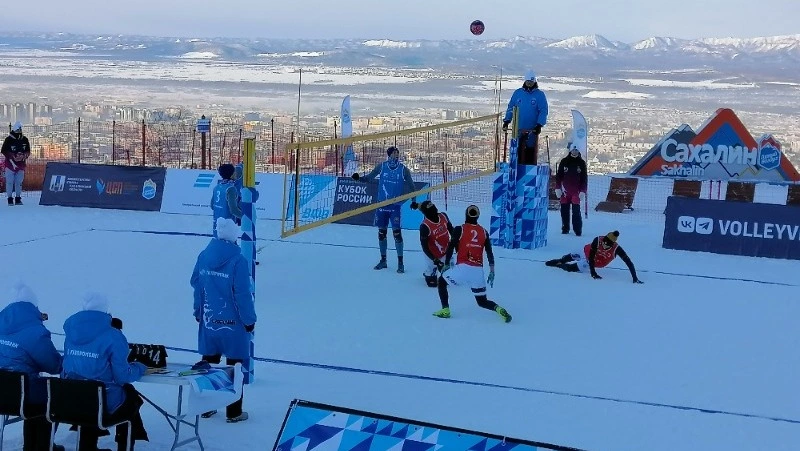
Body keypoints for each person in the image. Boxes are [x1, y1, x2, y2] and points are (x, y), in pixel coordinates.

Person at [61, 293, 149, 451]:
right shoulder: (113, 335)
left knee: (89, 396)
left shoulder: (71, 334)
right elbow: (123, 377)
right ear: (106, 310)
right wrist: (140, 367)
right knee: (131, 399)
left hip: (73, 399)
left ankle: (87, 447)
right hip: (102, 399)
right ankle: (124, 447)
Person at [190, 217, 256, 423]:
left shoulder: (203, 256)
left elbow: (197, 285)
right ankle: (234, 412)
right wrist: (249, 320)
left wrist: (198, 311)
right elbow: (242, 295)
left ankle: (206, 407)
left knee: (209, 363)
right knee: (235, 367)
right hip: (233, 324)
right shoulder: (238, 261)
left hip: (209, 320)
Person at [0, 283, 65, 451]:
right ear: (34, 307)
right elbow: (54, 365)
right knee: (53, 393)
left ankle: (30, 446)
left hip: (2, 392)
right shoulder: (35, 332)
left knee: (34, 392)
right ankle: (42, 446)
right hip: (21, 394)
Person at [433, 205, 512, 322]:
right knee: (482, 301)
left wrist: (447, 263)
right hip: (478, 271)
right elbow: (489, 253)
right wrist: (492, 271)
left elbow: (451, 246)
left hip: (463, 268)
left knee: (441, 282)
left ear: (466, 214)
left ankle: (445, 310)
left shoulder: (459, 229)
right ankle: (499, 309)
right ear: (478, 217)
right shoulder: (484, 232)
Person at [351, 146, 419, 273]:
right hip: (382, 205)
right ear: (389, 155)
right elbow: (369, 178)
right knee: (382, 234)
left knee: (397, 234)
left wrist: (414, 201)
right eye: (394, 153)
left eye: (397, 153)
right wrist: (358, 178)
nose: (396, 155)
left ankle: (400, 263)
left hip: (395, 206)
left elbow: (411, 186)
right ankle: (383, 261)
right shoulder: (382, 166)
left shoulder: (403, 169)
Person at [544, 231, 643, 283]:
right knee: (569, 256)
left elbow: (628, 262)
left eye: (607, 246)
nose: (604, 246)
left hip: (598, 262)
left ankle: (559, 265)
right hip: (586, 252)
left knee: (571, 268)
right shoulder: (598, 240)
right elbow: (591, 256)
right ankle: (560, 261)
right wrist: (593, 273)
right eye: (603, 243)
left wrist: (635, 278)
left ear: (612, 245)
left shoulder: (617, 249)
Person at [502, 70, 548, 165]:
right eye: (528, 81)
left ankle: (529, 169)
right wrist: (507, 120)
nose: (529, 83)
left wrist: (539, 125)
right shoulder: (518, 93)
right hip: (517, 129)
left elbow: (543, 110)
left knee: (530, 152)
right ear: (525, 81)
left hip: (532, 130)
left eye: (531, 81)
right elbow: (511, 107)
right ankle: (516, 168)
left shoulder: (539, 95)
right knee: (517, 151)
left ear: (534, 81)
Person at [554, 143, 588, 236]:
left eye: (576, 150)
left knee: (576, 212)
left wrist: (583, 191)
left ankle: (577, 230)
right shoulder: (564, 161)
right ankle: (565, 228)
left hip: (576, 192)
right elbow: (559, 176)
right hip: (565, 191)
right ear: (570, 150)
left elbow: (584, 178)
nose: (574, 152)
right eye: (573, 150)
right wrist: (558, 188)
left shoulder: (581, 163)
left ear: (578, 151)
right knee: (564, 211)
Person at [418, 200, 453, 287]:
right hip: (432, 254)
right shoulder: (425, 226)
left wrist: (456, 244)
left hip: (445, 250)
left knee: (450, 278)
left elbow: (451, 230)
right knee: (432, 284)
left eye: (434, 208)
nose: (434, 211)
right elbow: (424, 247)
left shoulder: (443, 216)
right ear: (426, 213)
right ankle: (428, 273)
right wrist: (435, 260)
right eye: (431, 210)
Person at [2, 121, 31, 206]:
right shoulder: (8, 139)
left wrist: (24, 156)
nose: (19, 131)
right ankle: (10, 198)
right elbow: (4, 150)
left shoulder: (24, 139)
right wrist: (13, 156)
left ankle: (18, 198)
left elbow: (28, 150)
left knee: (19, 182)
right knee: (9, 182)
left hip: (21, 164)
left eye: (20, 129)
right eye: (18, 129)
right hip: (10, 164)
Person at [211, 163, 242, 237]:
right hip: (228, 225)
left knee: (217, 243)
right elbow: (233, 210)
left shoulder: (217, 187)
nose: (236, 173)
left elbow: (212, 206)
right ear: (231, 174)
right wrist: (245, 217)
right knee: (229, 244)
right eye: (234, 171)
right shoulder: (231, 189)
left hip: (216, 224)